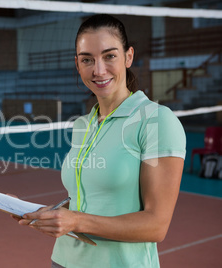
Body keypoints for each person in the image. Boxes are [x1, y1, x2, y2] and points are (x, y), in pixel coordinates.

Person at [16, 14, 186, 267]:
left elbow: (156, 226)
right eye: (87, 59)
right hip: (63, 260)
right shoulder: (82, 124)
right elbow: (84, 201)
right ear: (77, 64)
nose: (98, 70)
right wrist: (37, 212)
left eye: (109, 56)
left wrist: (75, 221)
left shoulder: (156, 121)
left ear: (128, 57)